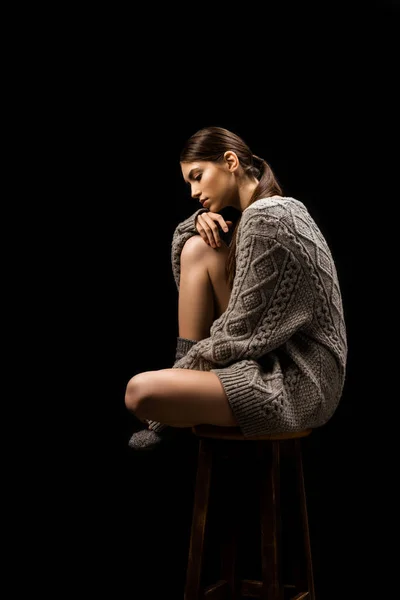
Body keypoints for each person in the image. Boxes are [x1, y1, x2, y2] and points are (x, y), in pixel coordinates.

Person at [125, 126, 347, 450]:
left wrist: (171, 391)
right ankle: (185, 386)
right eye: (188, 182)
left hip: (299, 382)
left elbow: (237, 335)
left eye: (197, 176)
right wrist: (196, 221)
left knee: (139, 393)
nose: (192, 191)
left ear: (230, 161)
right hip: (279, 357)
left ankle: (182, 390)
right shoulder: (273, 209)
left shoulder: (265, 220)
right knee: (198, 248)